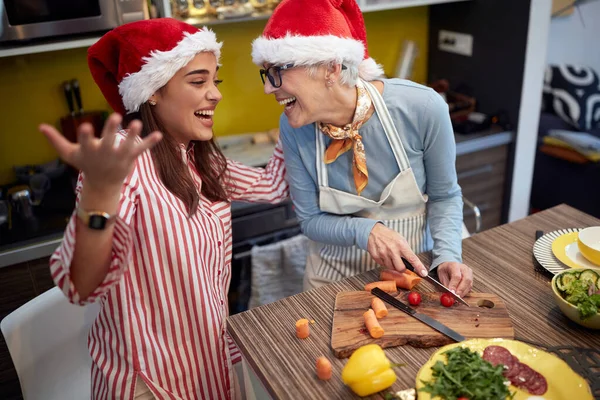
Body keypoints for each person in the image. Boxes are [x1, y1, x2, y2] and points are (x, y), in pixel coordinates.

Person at [40, 18, 288, 400]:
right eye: (198, 81)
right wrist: (100, 194)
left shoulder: (196, 157)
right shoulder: (126, 157)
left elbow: (274, 184)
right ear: (153, 90)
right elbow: (81, 286)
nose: (215, 94)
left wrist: (297, 110)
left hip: (209, 363)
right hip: (152, 381)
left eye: (214, 81)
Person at [250, 0, 473, 296]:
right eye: (267, 74)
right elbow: (310, 220)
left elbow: (445, 196)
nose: (268, 88)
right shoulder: (294, 129)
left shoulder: (423, 107)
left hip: (416, 271)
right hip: (332, 280)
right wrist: (366, 231)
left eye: (278, 71)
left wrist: (448, 256)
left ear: (331, 67)